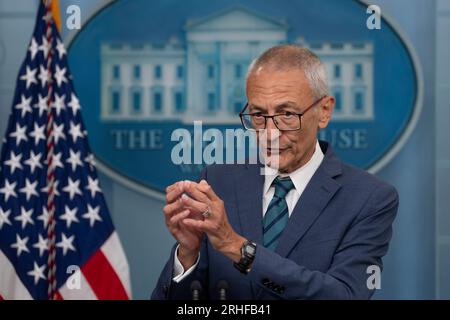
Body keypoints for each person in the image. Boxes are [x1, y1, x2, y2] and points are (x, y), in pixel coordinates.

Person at [151, 45, 399, 300]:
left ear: (324, 111)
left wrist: (237, 247)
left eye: (287, 114)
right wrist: (188, 254)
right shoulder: (217, 181)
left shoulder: (369, 198)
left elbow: (345, 295)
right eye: (258, 115)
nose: (270, 132)